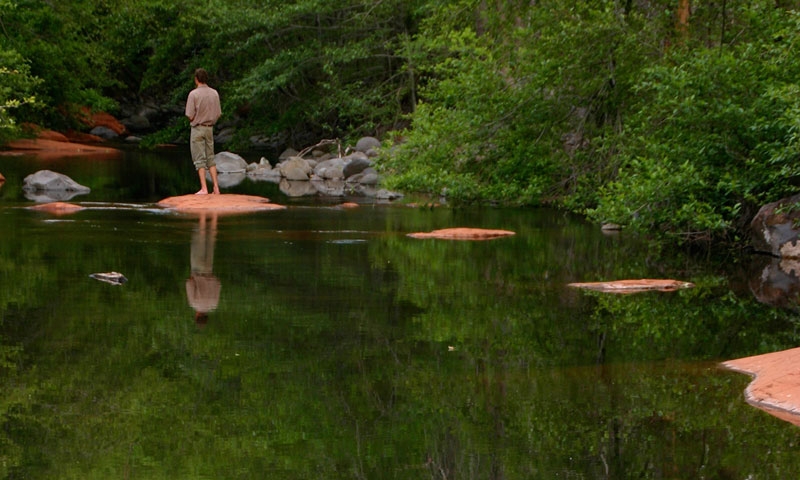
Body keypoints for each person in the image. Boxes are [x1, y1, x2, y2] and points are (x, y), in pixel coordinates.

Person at [185, 68, 222, 195]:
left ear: (196, 79)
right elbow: (218, 113)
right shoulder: (214, 93)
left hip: (198, 128)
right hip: (209, 128)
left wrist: (196, 118)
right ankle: (216, 188)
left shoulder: (193, 94)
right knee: (211, 157)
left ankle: (204, 188)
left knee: (199, 159)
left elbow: (189, 115)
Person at [186, 211, 221, 327]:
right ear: (197, 316)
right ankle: (202, 214)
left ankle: (214, 216)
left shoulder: (214, 304)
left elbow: (218, 283)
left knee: (211, 241)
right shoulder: (194, 304)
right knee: (198, 241)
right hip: (197, 270)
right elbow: (189, 283)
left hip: (209, 269)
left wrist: (210, 278)